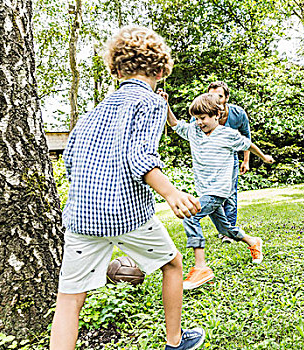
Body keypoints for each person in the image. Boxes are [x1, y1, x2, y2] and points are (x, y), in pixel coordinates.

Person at [50, 26, 205, 350]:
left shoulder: (93, 113)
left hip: (81, 216)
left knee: (69, 297)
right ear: (162, 71)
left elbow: (72, 159)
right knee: (173, 264)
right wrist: (171, 193)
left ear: (116, 69)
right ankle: (175, 342)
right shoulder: (151, 103)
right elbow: (140, 156)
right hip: (124, 212)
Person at [159, 91, 274, 290]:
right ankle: (253, 241)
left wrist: (263, 157)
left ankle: (201, 267)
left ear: (216, 115)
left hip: (219, 190)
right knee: (225, 229)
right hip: (204, 189)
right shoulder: (194, 131)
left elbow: (248, 144)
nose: (199, 122)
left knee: (190, 214)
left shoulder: (227, 134)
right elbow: (174, 124)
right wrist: (166, 105)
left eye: (203, 118)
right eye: (196, 118)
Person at [206, 81, 251, 242]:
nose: (215, 99)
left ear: (226, 98)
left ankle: (228, 232)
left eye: (219, 96)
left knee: (230, 194)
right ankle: (223, 228)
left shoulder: (238, 114)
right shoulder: (202, 113)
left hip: (230, 158)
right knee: (212, 196)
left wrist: (245, 161)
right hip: (209, 160)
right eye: (211, 96)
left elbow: (246, 137)